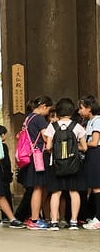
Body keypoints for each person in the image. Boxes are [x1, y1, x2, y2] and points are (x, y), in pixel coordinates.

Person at [43, 98, 87, 230]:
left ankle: (54, 222)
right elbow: (84, 147)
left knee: (56, 193)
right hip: (74, 165)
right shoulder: (77, 126)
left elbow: (48, 146)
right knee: (74, 192)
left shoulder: (52, 126)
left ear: (58, 111)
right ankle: (73, 222)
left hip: (56, 165)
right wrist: (73, 148)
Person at [17, 95, 52, 230]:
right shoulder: (39, 118)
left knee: (38, 187)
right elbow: (45, 136)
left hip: (30, 156)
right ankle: (35, 219)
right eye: (48, 109)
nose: (48, 112)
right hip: (38, 156)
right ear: (43, 106)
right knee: (38, 187)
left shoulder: (28, 118)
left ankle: (34, 217)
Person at [79, 95, 100, 229]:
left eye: (81, 108)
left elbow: (94, 142)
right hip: (91, 155)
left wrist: (79, 146)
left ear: (89, 108)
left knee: (97, 187)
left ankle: (98, 218)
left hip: (96, 154)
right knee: (94, 187)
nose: (79, 111)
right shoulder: (90, 121)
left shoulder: (97, 120)